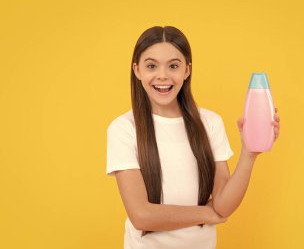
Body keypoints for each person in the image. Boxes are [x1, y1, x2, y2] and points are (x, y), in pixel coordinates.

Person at [106, 26, 280, 249]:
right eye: (151, 66)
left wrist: (249, 153)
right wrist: (206, 214)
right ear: (137, 70)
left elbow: (223, 206)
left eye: (173, 66)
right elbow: (141, 216)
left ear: (187, 70)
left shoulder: (210, 123)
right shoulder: (124, 129)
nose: (162, 75)